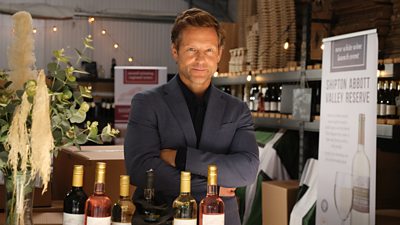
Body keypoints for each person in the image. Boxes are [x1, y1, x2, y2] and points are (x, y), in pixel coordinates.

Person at [124, 8, 259, 225]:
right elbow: (141, 169)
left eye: (208, 50)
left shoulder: (237, 110)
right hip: (162, 217)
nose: (200, 59)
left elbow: (247, 170)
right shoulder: (147, 103)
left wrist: (180, 158)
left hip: (221, 219)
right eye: (191, 49)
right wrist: (210, 187)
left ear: (219, 54)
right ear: (175, 51)